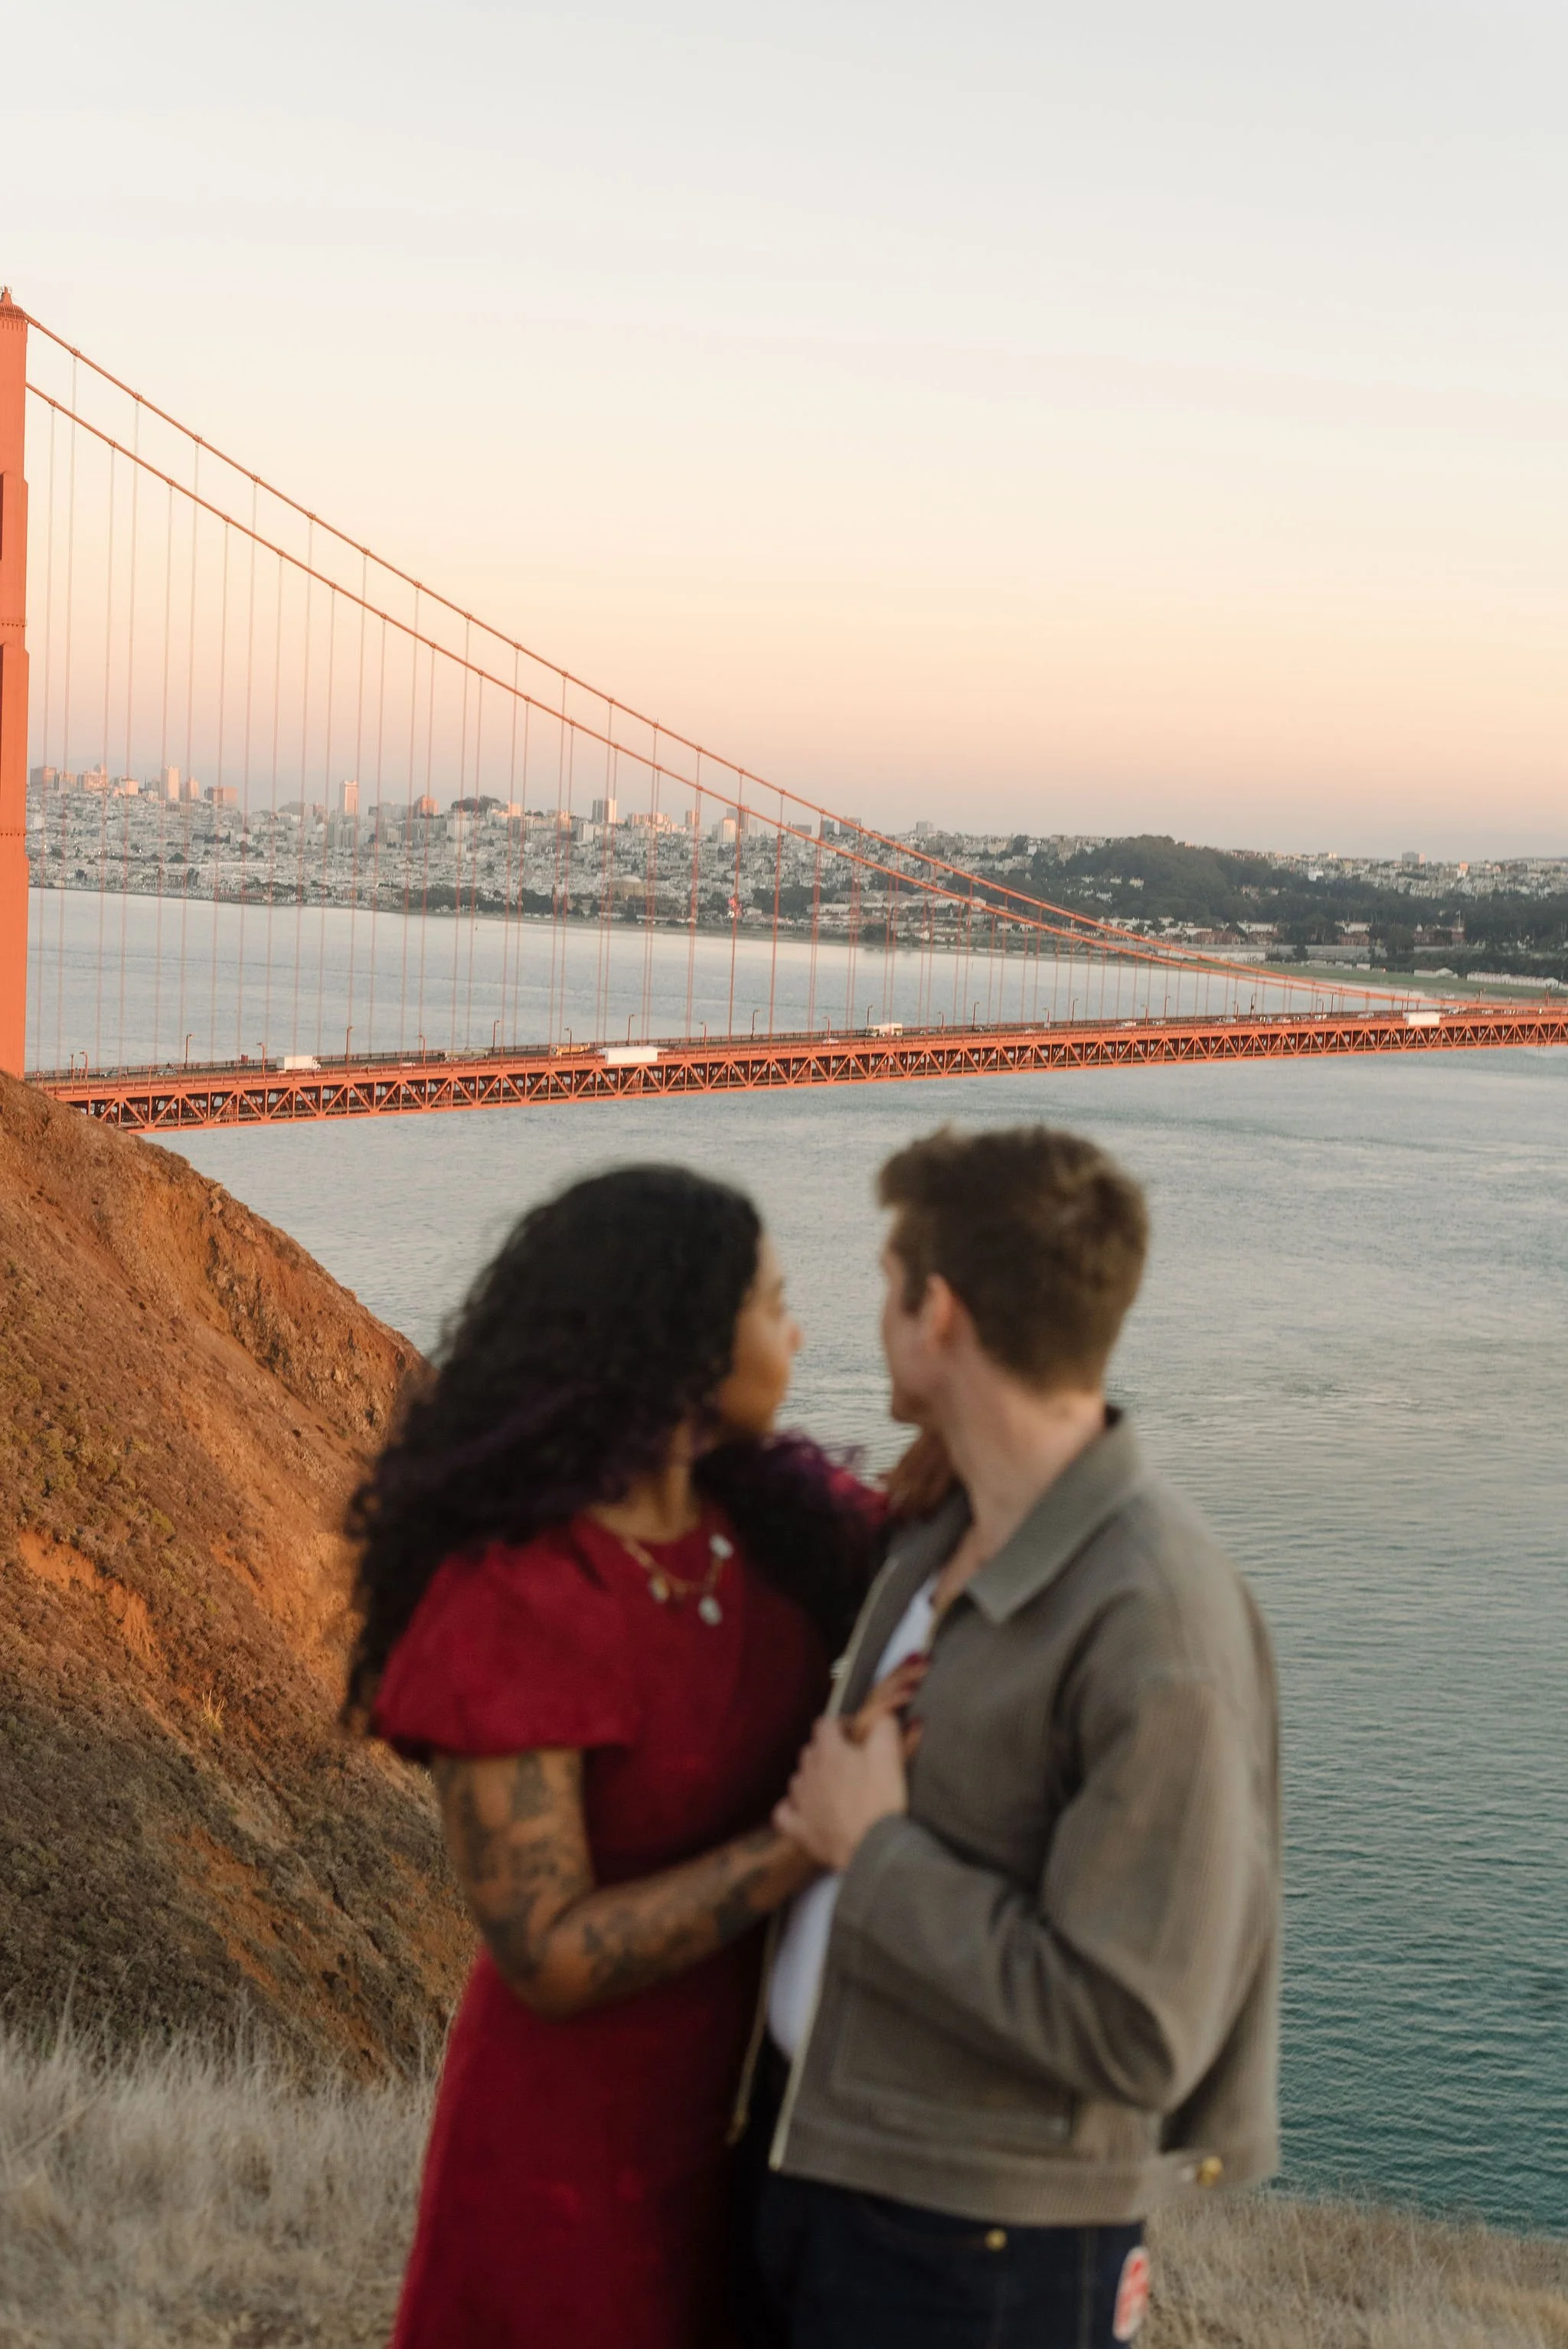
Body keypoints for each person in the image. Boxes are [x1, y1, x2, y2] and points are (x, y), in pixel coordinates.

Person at [756, 1125, 1281, 2349]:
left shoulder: (1157, 1613)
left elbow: (1134, 2031)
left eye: (888, 1285)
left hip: (980, 2254)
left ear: (939, 1314)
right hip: (831, 2178)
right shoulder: (947, 1529)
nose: (870, 1313)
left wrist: (872, 1848)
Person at [344, 1165, 886, 2349]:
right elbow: (547, 1952)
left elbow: (959, 1549)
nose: (797, 1331)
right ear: (685, 1342)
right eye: (771, 1303)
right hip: (561, 2158)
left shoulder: (778, 1528)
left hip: (751, 2129)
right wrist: (805, 1845)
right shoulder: (519, 1596)